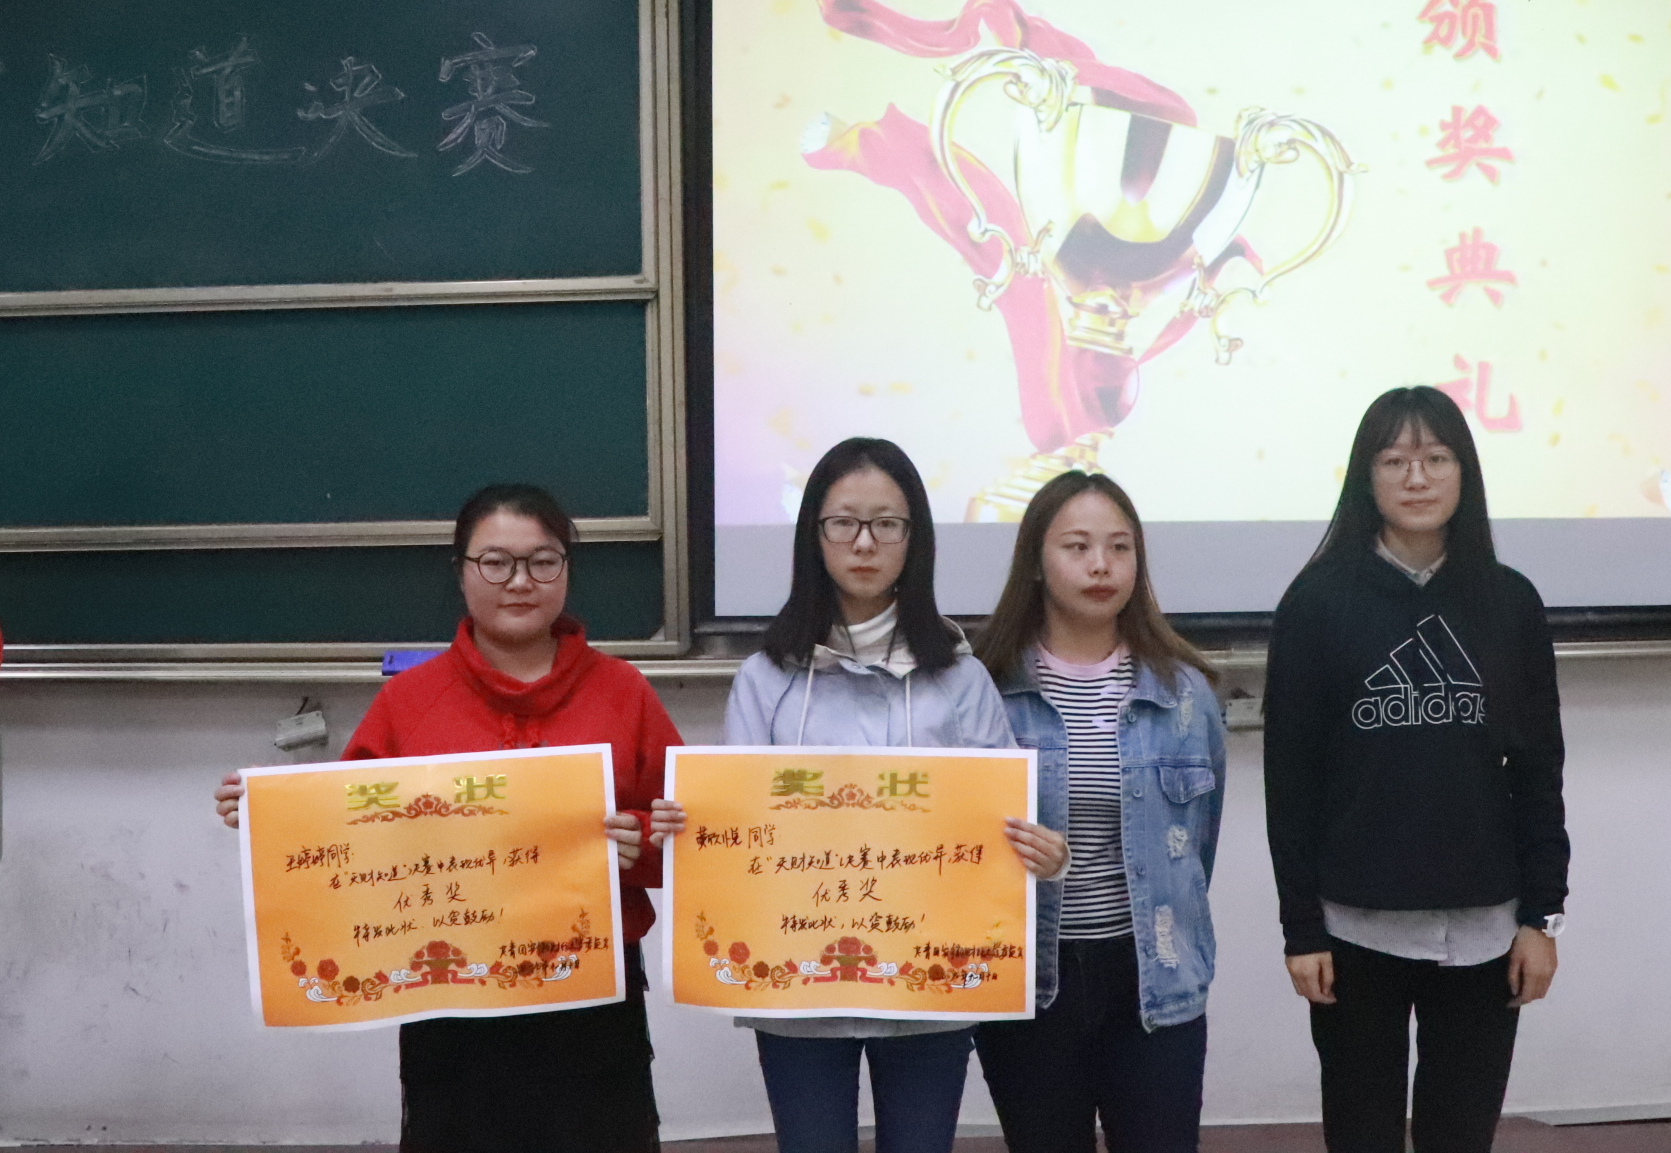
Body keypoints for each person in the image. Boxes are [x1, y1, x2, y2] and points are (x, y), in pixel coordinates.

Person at [214, 483, 680, 1153]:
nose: (519, 581)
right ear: (460, 571)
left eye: (542, 561)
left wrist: (640, 842)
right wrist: (268, 812)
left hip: (589, 996)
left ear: (566, 570)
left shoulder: (623, 691)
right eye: (495, 562)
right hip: (448, 997)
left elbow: (686, 839)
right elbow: (349, 830)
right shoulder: (410, 700)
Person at [650, 437, 1066, 1153]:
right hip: (795, 991)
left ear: (915, 538)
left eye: (887, 524)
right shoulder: (765, 678)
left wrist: (1044, 854)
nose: (865, 543)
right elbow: (736, 838)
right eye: (844, 522)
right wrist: (690, 826)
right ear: (814, 534)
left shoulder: (960, 678)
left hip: (930, 988)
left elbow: (1003, 832)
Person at [1262, 387, 1570, 1153]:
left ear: (1464, 472)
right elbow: (1290, 781)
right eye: (1395, 460)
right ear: (1366, 478)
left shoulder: (1509, 602)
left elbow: (1539, 772)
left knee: (1459, 1136)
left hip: (1485, 927)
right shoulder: (1316, 603)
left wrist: (1542, 918)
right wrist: (1301, 928)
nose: (1417, 477)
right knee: (1360, 1134)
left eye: (1436, 458)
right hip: (1353, 927)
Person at [970, 470, 1225, 1153]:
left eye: (1119, 547)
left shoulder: (1185, 694)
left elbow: (1197, 848)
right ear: (1036, 562)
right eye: (1077, 547)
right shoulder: (985, 689)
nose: (1101, 565)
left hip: (1153, 978)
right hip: (1031, 982)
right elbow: (955, 846)